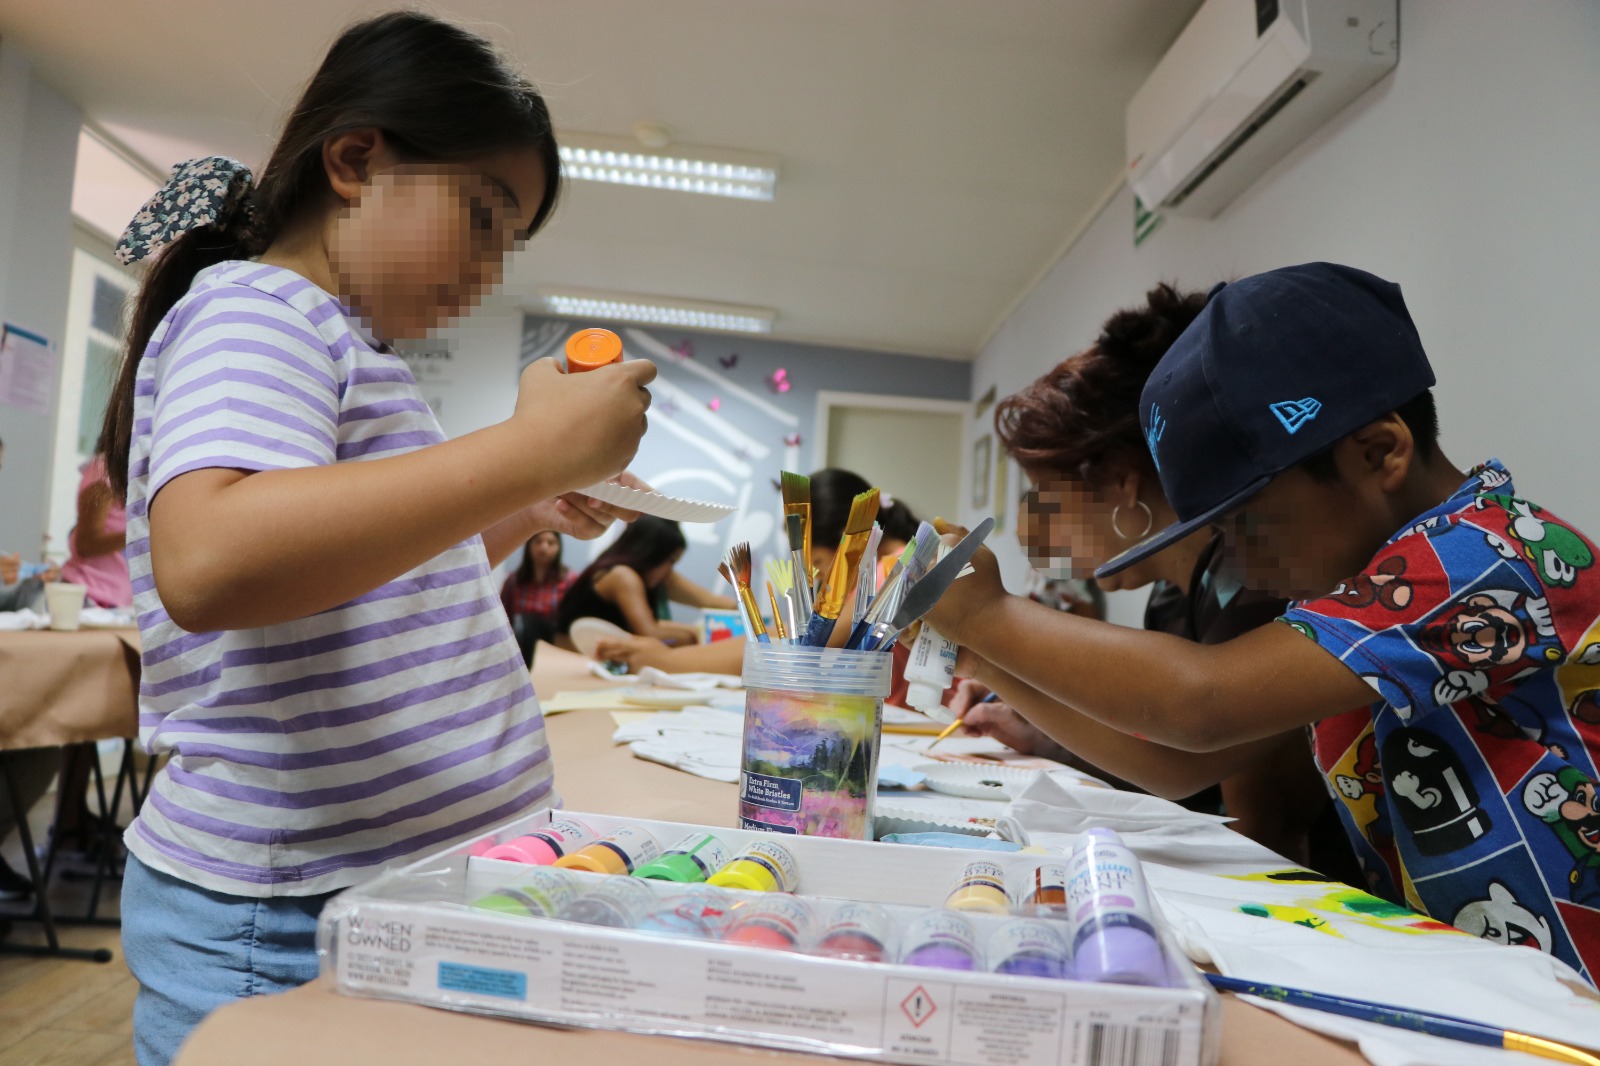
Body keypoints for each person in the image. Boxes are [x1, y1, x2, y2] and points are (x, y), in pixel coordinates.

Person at [97, 14, 657, 1063]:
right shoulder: (263, 310)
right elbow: (210, 563)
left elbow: (381, 582)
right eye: (481, 217)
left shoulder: (348, 348)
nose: (488, 269)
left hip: (368, 891)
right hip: (285, 914)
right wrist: (528, 452)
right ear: (357, 160)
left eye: (507, 244)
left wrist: (527, 506)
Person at [922, 263, 1600, 982]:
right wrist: (985, 656)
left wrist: (990, 615)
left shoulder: (1482, 556)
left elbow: (1200, 704)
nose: (1238, 559)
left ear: (1380, 453)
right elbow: (1175, 761)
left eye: (1247, 523)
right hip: (1495, 985)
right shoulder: (1363, 595)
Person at [943, 284, 1350, 872]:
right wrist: (991, 666)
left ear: (1122, 482)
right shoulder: (1172, 595)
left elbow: (1233, 795)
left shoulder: (1257, 581)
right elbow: (1161, 750)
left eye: (1047, 497)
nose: (1043, 529)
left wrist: (986, 620)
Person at [593, 470, 924, 689]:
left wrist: (666, 661)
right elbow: (788, 637)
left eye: (818, 563)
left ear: (848, 539)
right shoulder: (877, 570)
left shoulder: (893, 573)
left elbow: (802, 650)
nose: (820, 577)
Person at [556, 516, 733, 646]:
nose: (671, 570)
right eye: (671, 561)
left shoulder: (653, 575)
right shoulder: (622, 576)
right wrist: (697, 636)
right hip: (571, 656)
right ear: (652, 554)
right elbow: (651, 634)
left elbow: (715, 603)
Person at [59, 443, 133, 608]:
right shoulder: (104, 472)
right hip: (89, 596)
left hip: (113, 599)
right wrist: (137, 533)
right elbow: (86, 543)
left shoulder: (128, 474)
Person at [500, 530, 576, 663]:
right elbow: (504, 618)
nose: (544, 547)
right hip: (519, 650)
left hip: (554, 652)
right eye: (538, 541)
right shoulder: (513, 580)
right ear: (529, 545)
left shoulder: (570, 581)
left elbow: (570, 625)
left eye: (550, 543)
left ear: (559, 547)